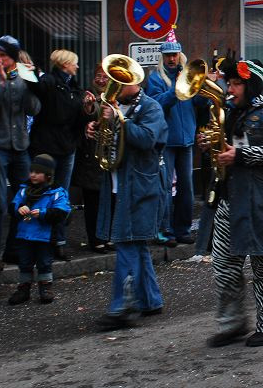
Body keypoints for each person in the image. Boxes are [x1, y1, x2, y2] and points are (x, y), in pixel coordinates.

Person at [204, 59, 263, 348]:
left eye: (236, 83)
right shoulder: (229, 110)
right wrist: (210, 142)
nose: (230, 88)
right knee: (223, 264)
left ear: (251, 83)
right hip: (232, 198)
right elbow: (226, 147)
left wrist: (239, 156)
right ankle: (233, 323)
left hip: (262, 200)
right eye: (229, 83)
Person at [90, 68, 168, 331]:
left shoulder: (151, 107)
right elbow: (109, 140)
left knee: (126, 241)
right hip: (119, 181)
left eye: (119, 82)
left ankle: (121, 307)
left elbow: (146, 139)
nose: (113, 86)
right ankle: (150, 300)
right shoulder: (113, 106)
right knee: (136, 243)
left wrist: (119, 119)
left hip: (141, 183)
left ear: (133, 82)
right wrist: (97, 128)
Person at [0, 35, 42, 272]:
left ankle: (13, 250)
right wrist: (2, 85)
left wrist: (30, 82)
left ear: (14, 57)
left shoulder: (23, 79)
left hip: (20, 147)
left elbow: (35, 108)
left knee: (23, 199)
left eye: (4, 55)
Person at [145, 27, 206, 246]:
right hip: (166, 141)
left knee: (187, 188)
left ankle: (183, 229)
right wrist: (177, 88)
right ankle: (165, 230)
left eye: (175, 55)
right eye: (168, 55)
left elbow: (199, 105)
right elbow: (157, 105)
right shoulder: (155, 79)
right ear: (163, 57)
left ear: (180, 55)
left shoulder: (189, 75)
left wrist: (203, 92)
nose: (172, 59)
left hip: (186, 139)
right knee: (163, 187)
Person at [27, 49, 85, 261]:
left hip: (67, 146)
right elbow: (37, 87)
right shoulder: (50, 82)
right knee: (43, 194)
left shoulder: (73, 85)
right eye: (74, 63)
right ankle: (41, 242)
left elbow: (77, 115)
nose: (77, 67)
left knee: (61, 196)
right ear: (64, 64)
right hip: (48, 147)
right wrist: (30, 73)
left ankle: (58, 241)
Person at [7, 154, 71, 305]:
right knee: (24, 263)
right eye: (31, 171)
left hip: (45, 236)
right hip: (25, 235)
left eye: (37, 172)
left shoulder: (57, 192)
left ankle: (45, 288)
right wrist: (18, 208)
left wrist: (43, 213)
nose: (33, 175)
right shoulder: (23, 190)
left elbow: (63, 213)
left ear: (48, 175)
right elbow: (12, 206)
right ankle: (23, 289)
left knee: (44, 263)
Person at [75, 64, 111, 252]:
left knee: (110, 198)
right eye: (98, 76)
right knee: (93, 201)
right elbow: (86, 114)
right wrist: (89, 108)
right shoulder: (87, 96)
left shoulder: (116, 97)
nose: (102, 80)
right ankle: (95, 238)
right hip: (92, 156)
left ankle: (108, 235)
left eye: (105, 77)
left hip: (109, 154)